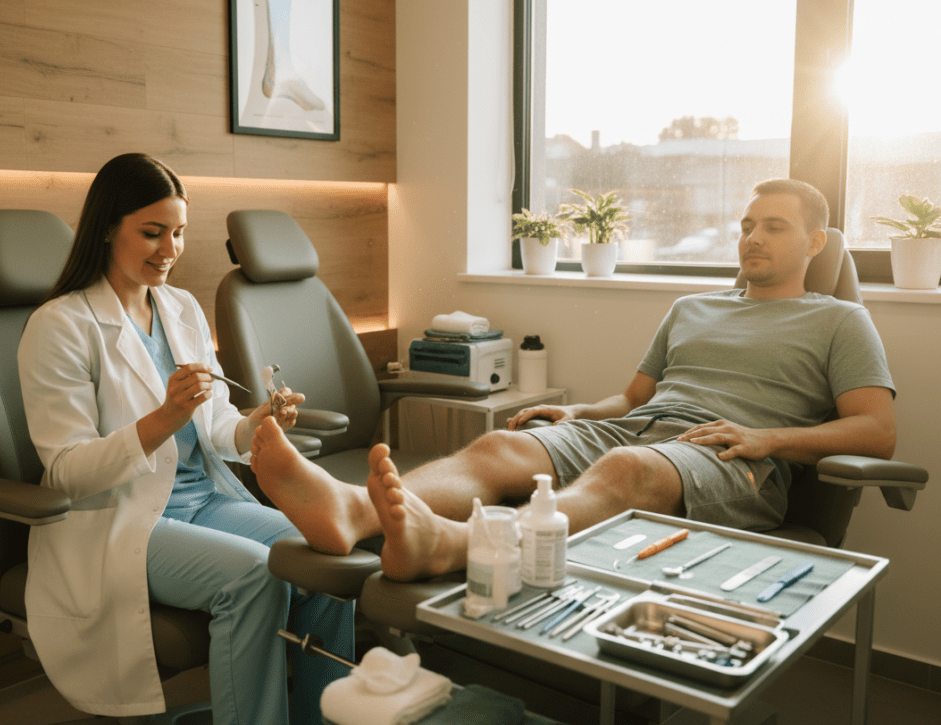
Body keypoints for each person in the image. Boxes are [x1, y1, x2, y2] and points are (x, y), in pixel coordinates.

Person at [248, 178, 897, 582]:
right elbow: (634, 399)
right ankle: (349, 509)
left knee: (625, 468)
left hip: (729, 457)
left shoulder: (838, 320)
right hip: (639, 430)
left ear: (815, 243)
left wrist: (768, 439)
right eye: (745, 227)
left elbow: (877, 430)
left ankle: (448, 546)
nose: (751, 238)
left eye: (772, 227)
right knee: (497, 447)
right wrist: (579, 412)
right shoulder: (690, 307)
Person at [17, 153, 351, 725]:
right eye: (152, 232)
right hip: (120, 521)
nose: (169, 249)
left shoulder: (181, 308)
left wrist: (257, 426)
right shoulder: (60, 325)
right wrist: (165, 418)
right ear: (105, 227)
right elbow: (66, 472)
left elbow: (216, 422)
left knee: (326, 557)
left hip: (205, 502)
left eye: (178, 232)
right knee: (254, 577)